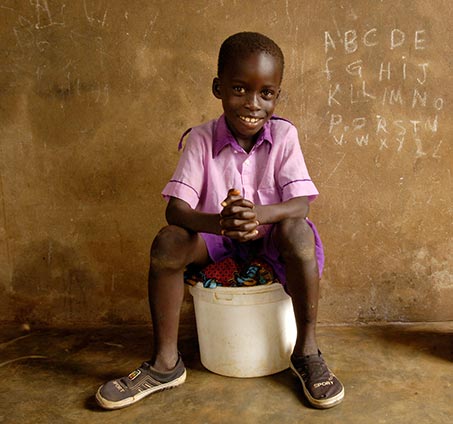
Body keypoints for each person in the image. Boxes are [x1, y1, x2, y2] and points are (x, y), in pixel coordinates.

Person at [96, 31, 344, 410]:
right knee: (168, 241)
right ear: (218, 88)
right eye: (240, 89)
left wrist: (258, 215)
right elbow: (176, 210)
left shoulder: (284, 135)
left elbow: (300, 206)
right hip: (214, 242)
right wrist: (221, 224)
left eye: (266, 93)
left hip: (270, 239)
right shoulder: (200, 138)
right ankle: (165, 364)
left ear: (277, 96)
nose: (253, 104)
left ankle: (306, 352)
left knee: (298, 233)